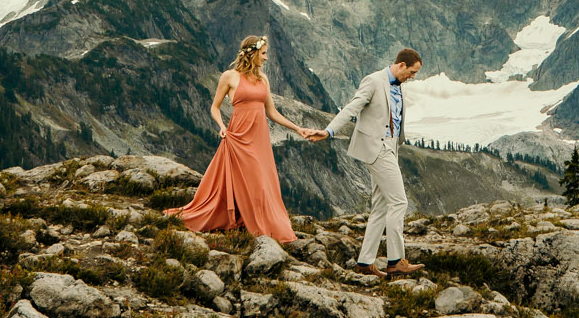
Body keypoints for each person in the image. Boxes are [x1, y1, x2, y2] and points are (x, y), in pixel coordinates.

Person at [178, 35, 317, 243]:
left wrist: (298, 128)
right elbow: (214, 107)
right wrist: (222, 127)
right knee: (246, 182)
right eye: (263, 54)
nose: (267, 58)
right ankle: (249, 224)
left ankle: (264, 225)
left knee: (263, 182)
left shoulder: (263, 79)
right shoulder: (229, 76)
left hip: (259, 138)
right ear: (251, 53)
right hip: (237, 136)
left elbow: (272, 112)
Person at [318, 47, 424, 276]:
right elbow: (352, 107)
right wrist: (329, 131)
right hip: (378, 147)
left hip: (391, 146)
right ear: (402, 65)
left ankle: (365, 263)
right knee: (399, 202)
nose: (413, 77)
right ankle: (396, 260)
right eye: (412, 72)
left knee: (382, 205)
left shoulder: (399, 86)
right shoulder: (374, 81)